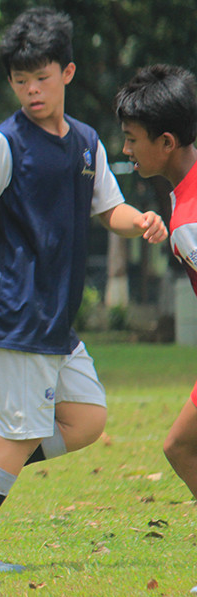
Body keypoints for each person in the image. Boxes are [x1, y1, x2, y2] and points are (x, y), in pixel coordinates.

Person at [0, 8, 167, 573]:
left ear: (67, 72)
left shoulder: (85, 142)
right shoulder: (2, 143)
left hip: (55, 316)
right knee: (22, 434)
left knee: (86, 419)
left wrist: (140, 222)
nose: (32, 90)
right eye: (21, 80)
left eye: (42, 77)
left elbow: (109, 209)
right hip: (14, 311)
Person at [115, 66, 197, 528]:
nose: (126, 150)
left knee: (180, 447)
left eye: (132, 139)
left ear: (166, 142)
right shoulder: (184, 194)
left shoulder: (188, 222)